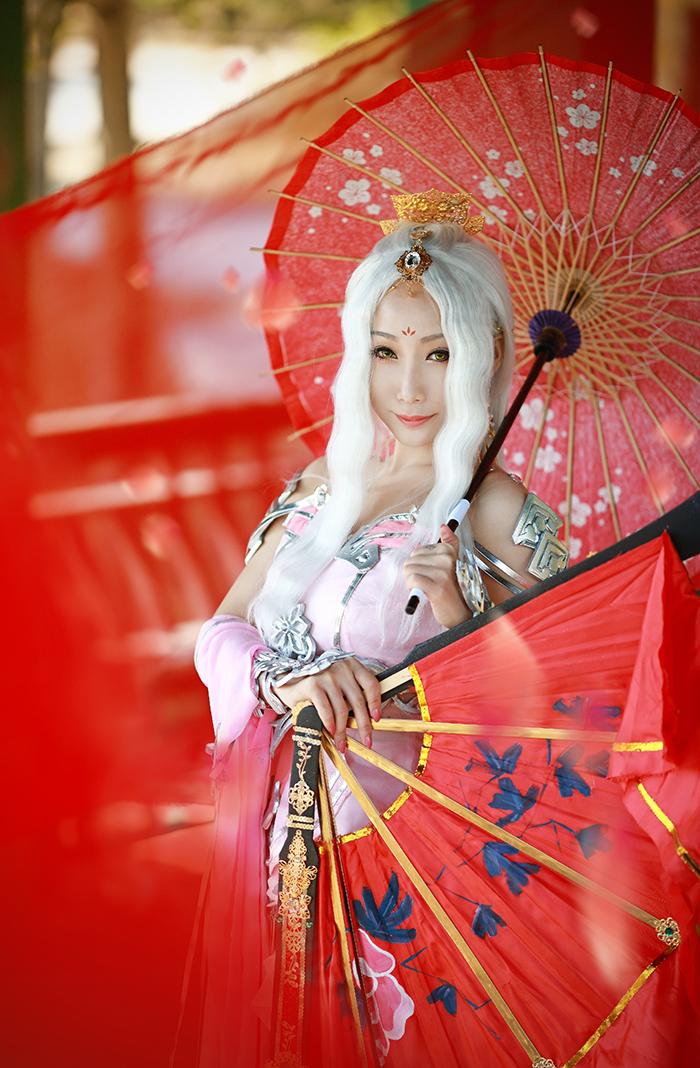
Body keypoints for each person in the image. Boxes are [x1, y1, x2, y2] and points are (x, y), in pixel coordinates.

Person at [185, 200, 569, 1068]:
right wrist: (288, 678)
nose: (410, 389)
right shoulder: (323, 484)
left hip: (414, 855)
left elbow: (566, 700)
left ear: (487, 356)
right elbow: (220, 631)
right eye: (387, 352)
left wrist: (461, 617)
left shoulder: (498, 511)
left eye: (439, 354)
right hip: (283, 838)